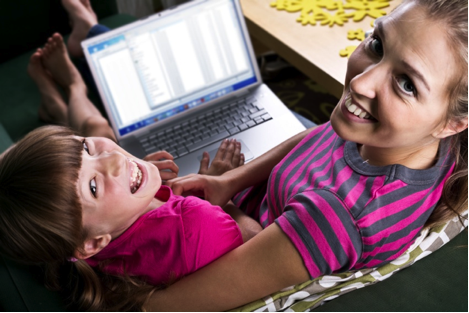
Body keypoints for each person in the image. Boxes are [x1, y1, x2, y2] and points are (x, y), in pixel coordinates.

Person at [142, 0, 466, 310]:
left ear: (453, 123)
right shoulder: (397, 138)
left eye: (407, 84)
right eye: (378, 45)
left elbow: (164, 307)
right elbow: (321, 136)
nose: (360, 81)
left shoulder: (336, 218)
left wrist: (223, 205)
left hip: (231, 231)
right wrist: (229, 181)